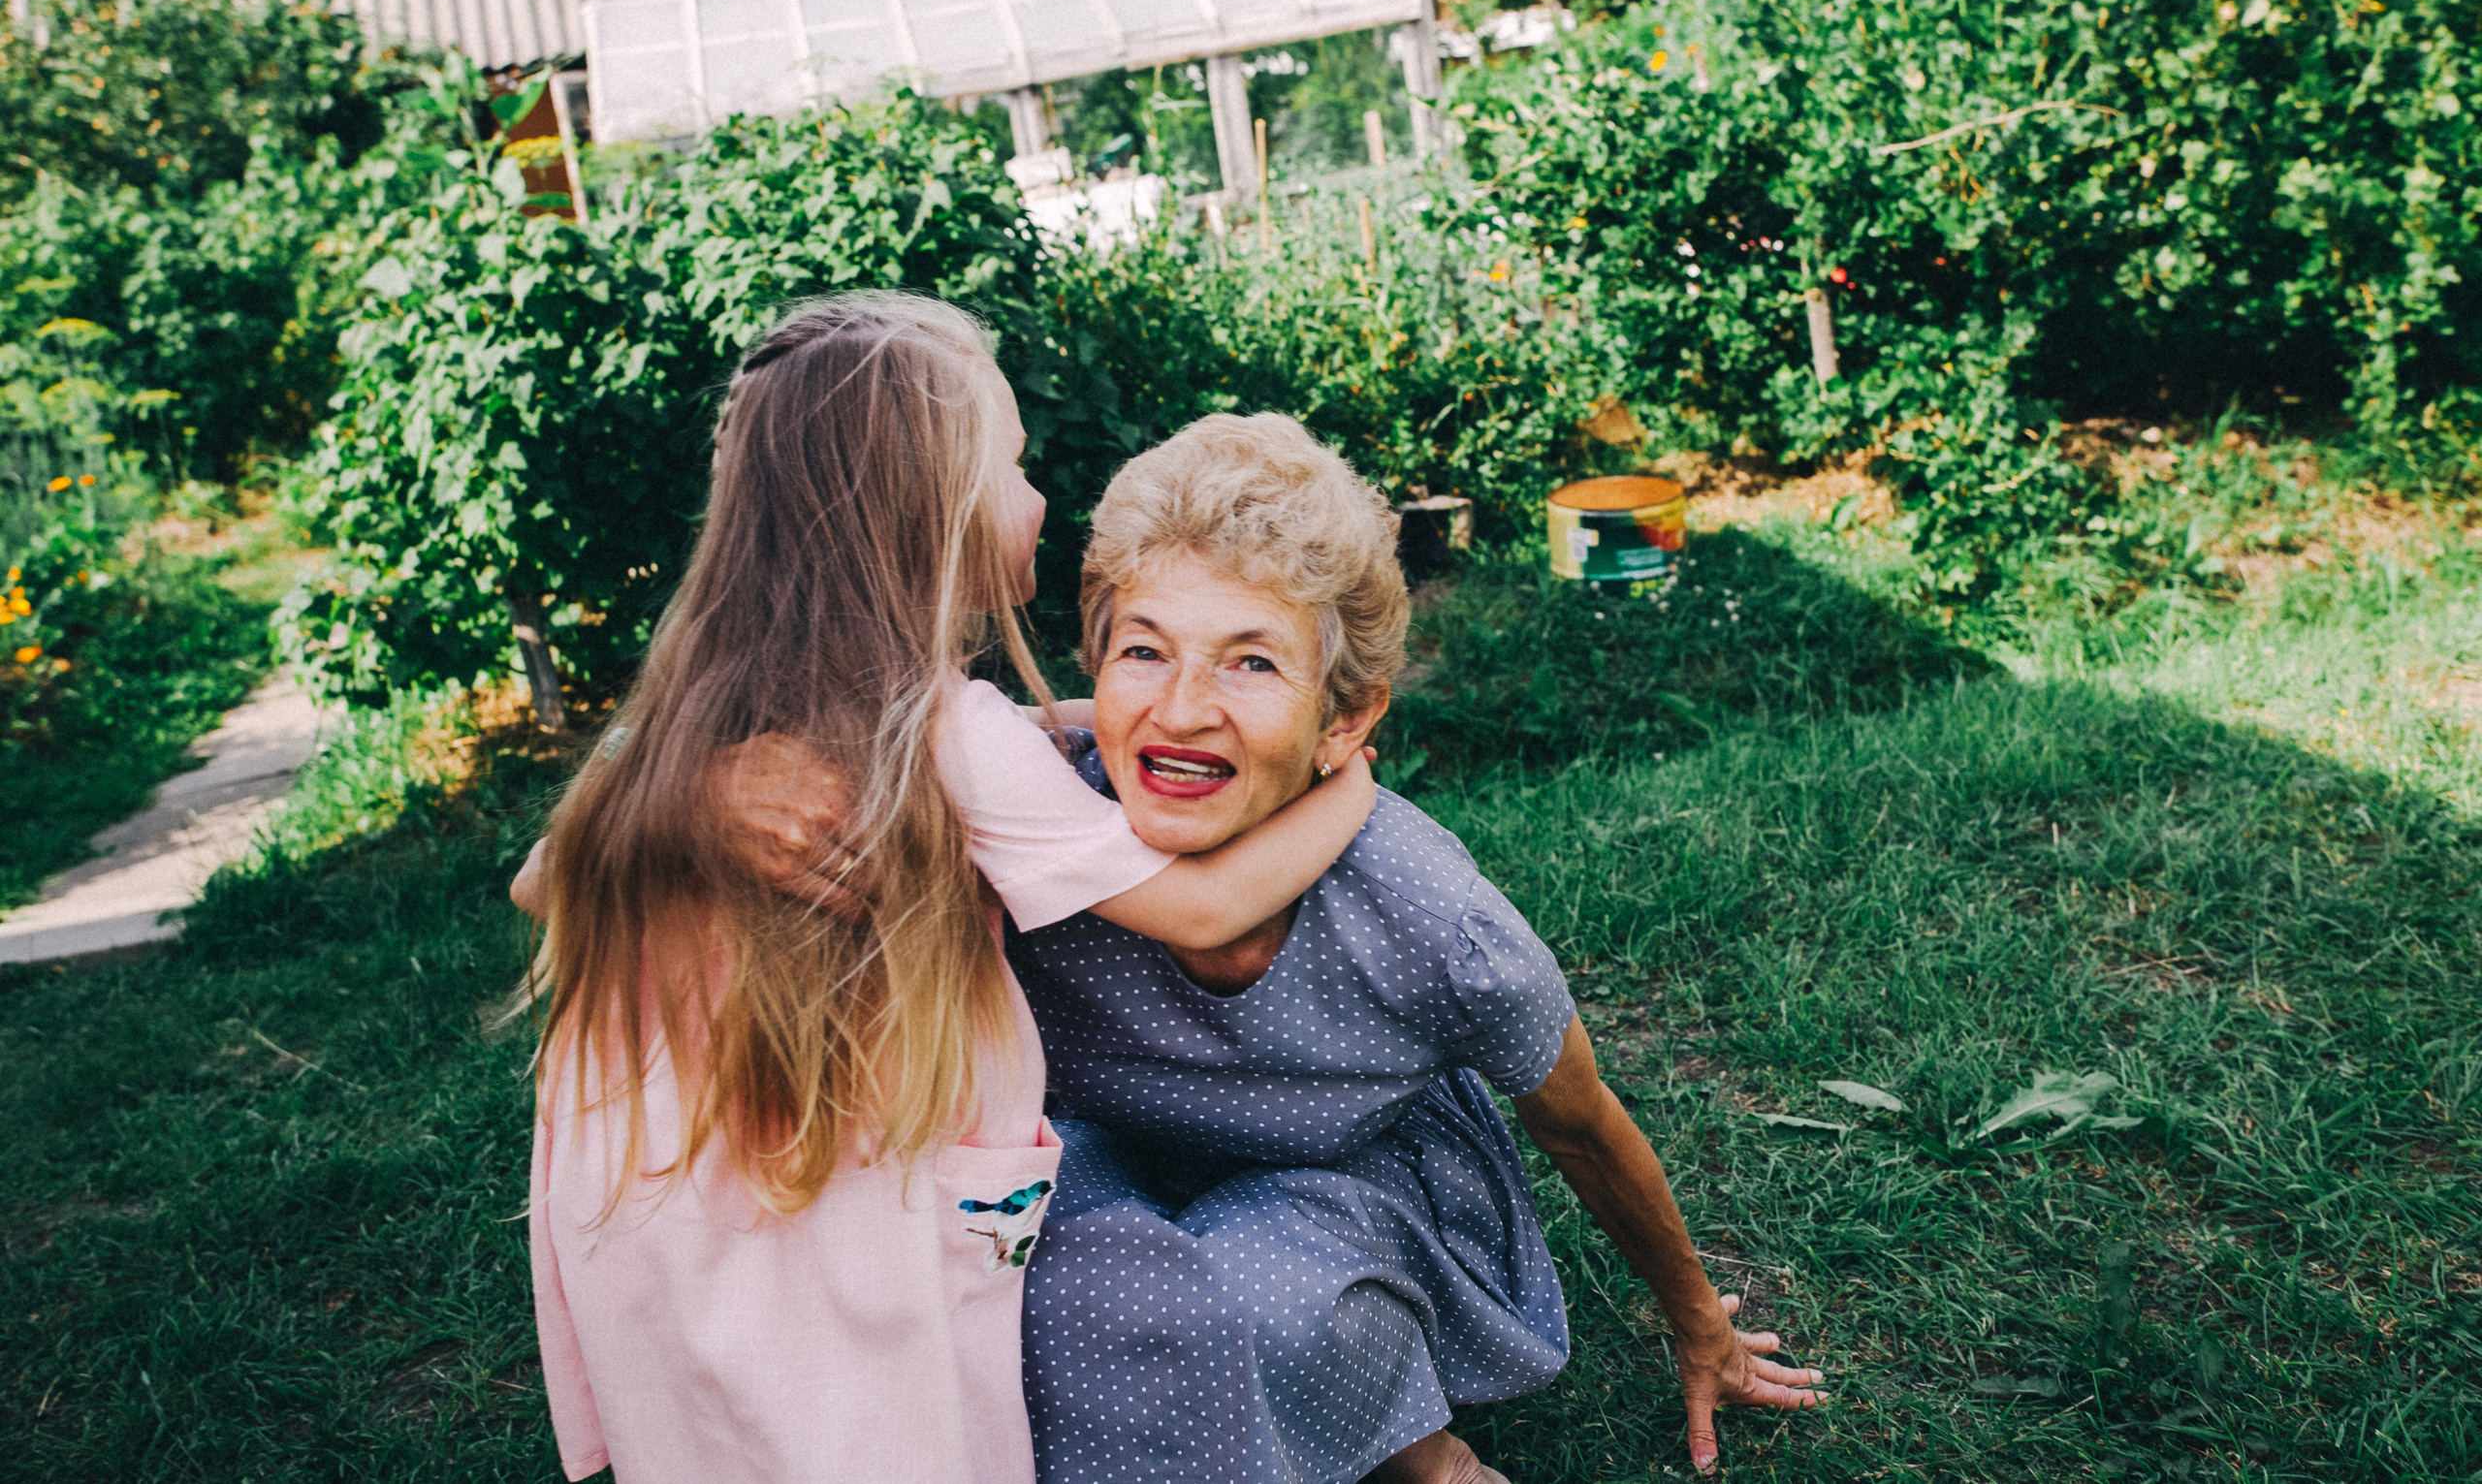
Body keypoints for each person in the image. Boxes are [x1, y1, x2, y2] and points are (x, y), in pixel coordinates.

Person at [732, 413, 1825, 1483]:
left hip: (1344, 1179)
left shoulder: (1429, 916)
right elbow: (631, 810)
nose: (1182, 709)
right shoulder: (1027, 820)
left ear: (1343, 723)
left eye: (1251, 664)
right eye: (1144, 650)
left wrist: (1700, 1328)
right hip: (1102, 1160)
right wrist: (716, 793)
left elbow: (1584, 1127)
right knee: (1034, 1274)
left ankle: (1419, 1450)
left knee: (1254, 1291)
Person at [518, 296, 1378, 1484]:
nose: (1036, 501)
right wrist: (1352, 783)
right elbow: (1205, 909)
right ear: (932, 509)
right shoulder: (947, 735)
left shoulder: (696, 701)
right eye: (1015, 466)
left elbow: (534, 880)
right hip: (833, 1206)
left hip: (664, 1199)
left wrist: (683, 793)